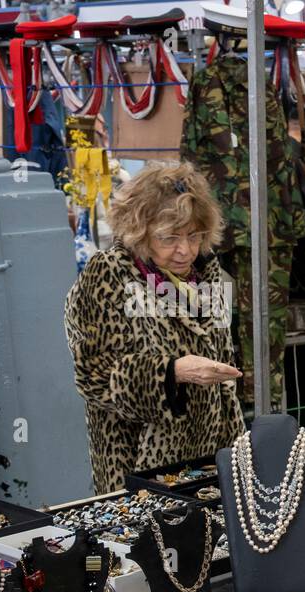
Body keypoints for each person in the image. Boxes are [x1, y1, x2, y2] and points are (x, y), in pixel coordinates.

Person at [63, 161, 244, 495]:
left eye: (193, 235)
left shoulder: (208, 274)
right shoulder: (108, 275)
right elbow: (93, 377)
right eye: (169, 238)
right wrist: (171, 372)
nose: (185, 249)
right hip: (140, 468)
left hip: (213, 461)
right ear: (139, 230)